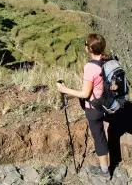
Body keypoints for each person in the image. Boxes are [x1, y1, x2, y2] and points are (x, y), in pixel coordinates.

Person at [56, 33, 111, 179]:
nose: (85, 47)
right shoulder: (108, 61)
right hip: (107, 104)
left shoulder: (90, 67)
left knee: (99, 138)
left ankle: (105, 171)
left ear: (90, 49)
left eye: (86, 45)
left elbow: (85, 94)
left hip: (94, 108)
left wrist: (64, 90)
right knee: (102, 135)